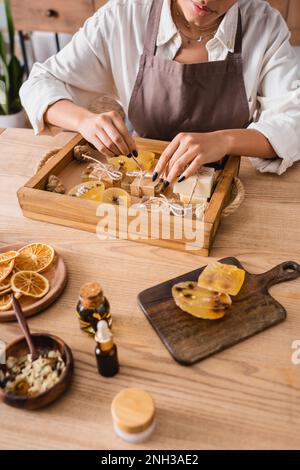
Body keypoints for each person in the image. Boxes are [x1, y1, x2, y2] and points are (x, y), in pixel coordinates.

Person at [20, 0, 300, 186]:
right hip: (140, 174)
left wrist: (224, 140)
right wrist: (84, 121)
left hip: (231, 181)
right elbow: (39, 82)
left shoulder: (264, 24)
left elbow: (294, 120)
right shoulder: (125, 14)